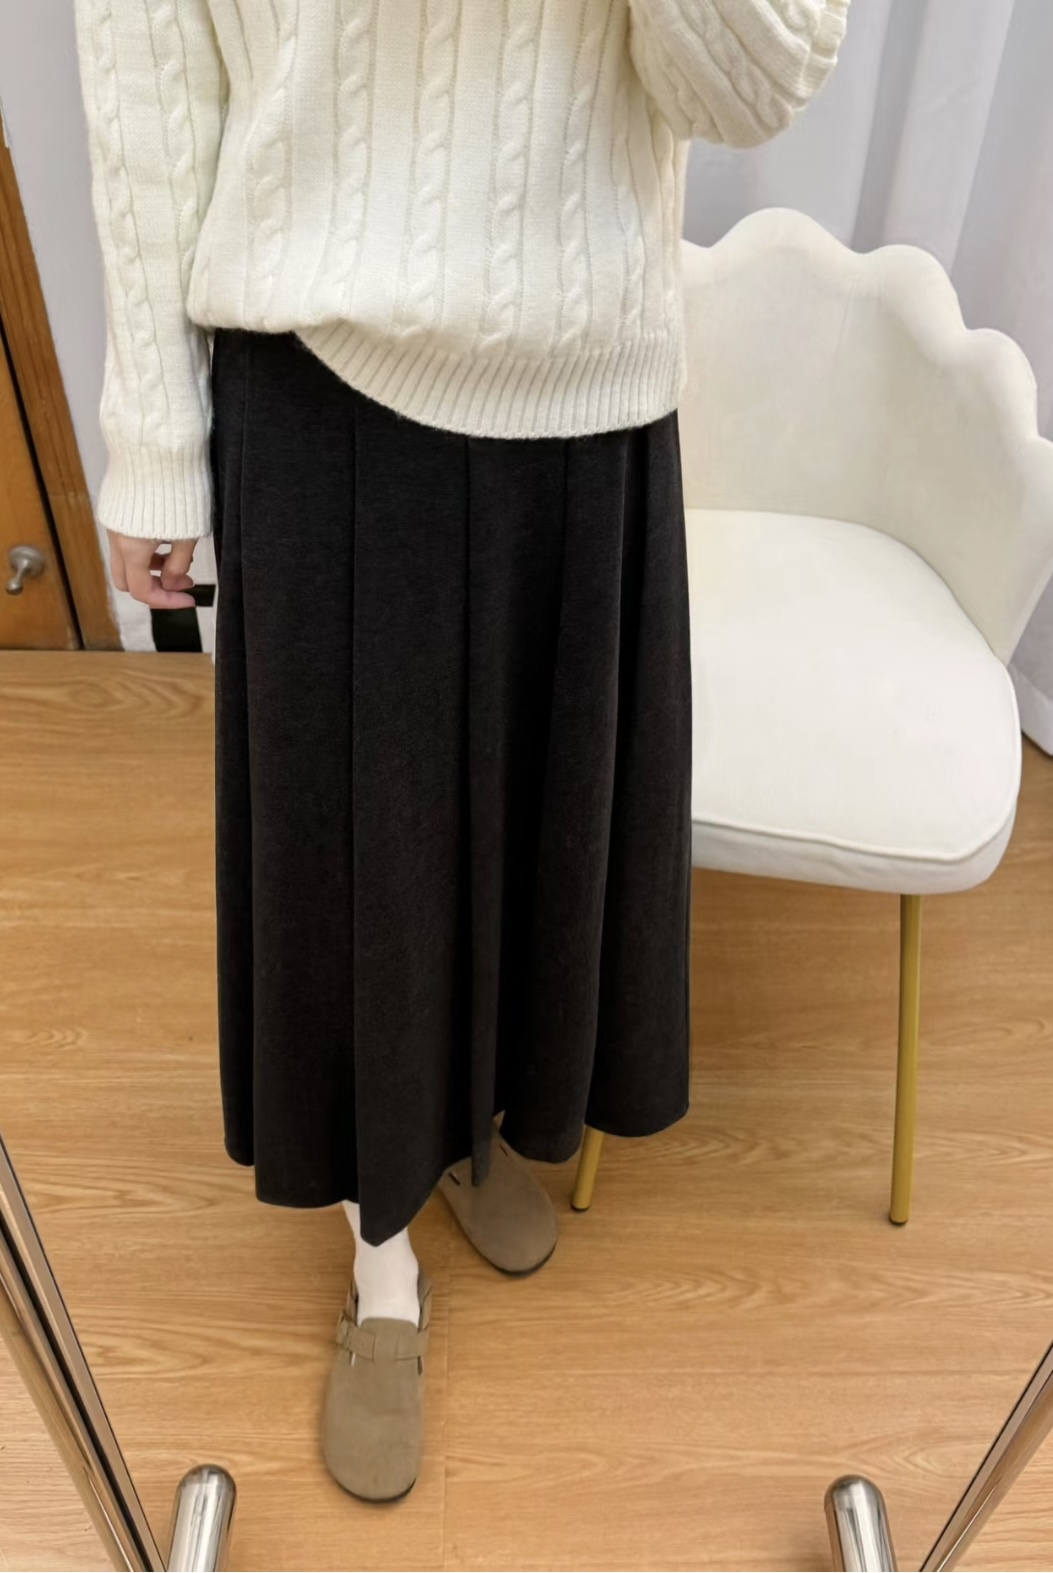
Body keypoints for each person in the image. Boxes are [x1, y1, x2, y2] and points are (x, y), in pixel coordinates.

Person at [74, 0, 850, 1505]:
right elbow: (148, 65)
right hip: (318, 368)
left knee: (541, 827)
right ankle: (381, 1258)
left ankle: (472, 1127)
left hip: (589, 376)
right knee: (358, 876)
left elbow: (750, 88)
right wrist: (153, 434)